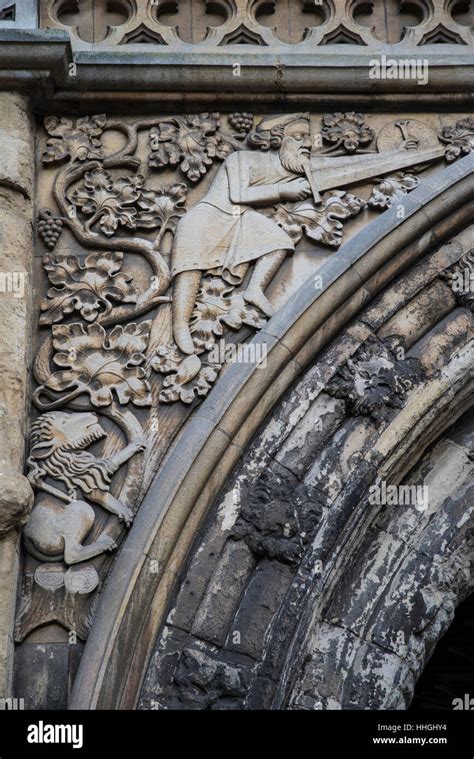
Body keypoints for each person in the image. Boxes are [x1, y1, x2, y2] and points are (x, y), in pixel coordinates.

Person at [171, 113, 313, 354]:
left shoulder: (285, 166)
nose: (308, 144)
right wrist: (284, 190)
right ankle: (180, 326)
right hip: (207, 218)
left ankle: (254, 290)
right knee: (190, 272)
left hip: (240, 218)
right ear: (277, 139)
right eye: (299, 137)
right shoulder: (241, 158)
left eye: (308, 138)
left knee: (278, 242)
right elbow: (238, 195)